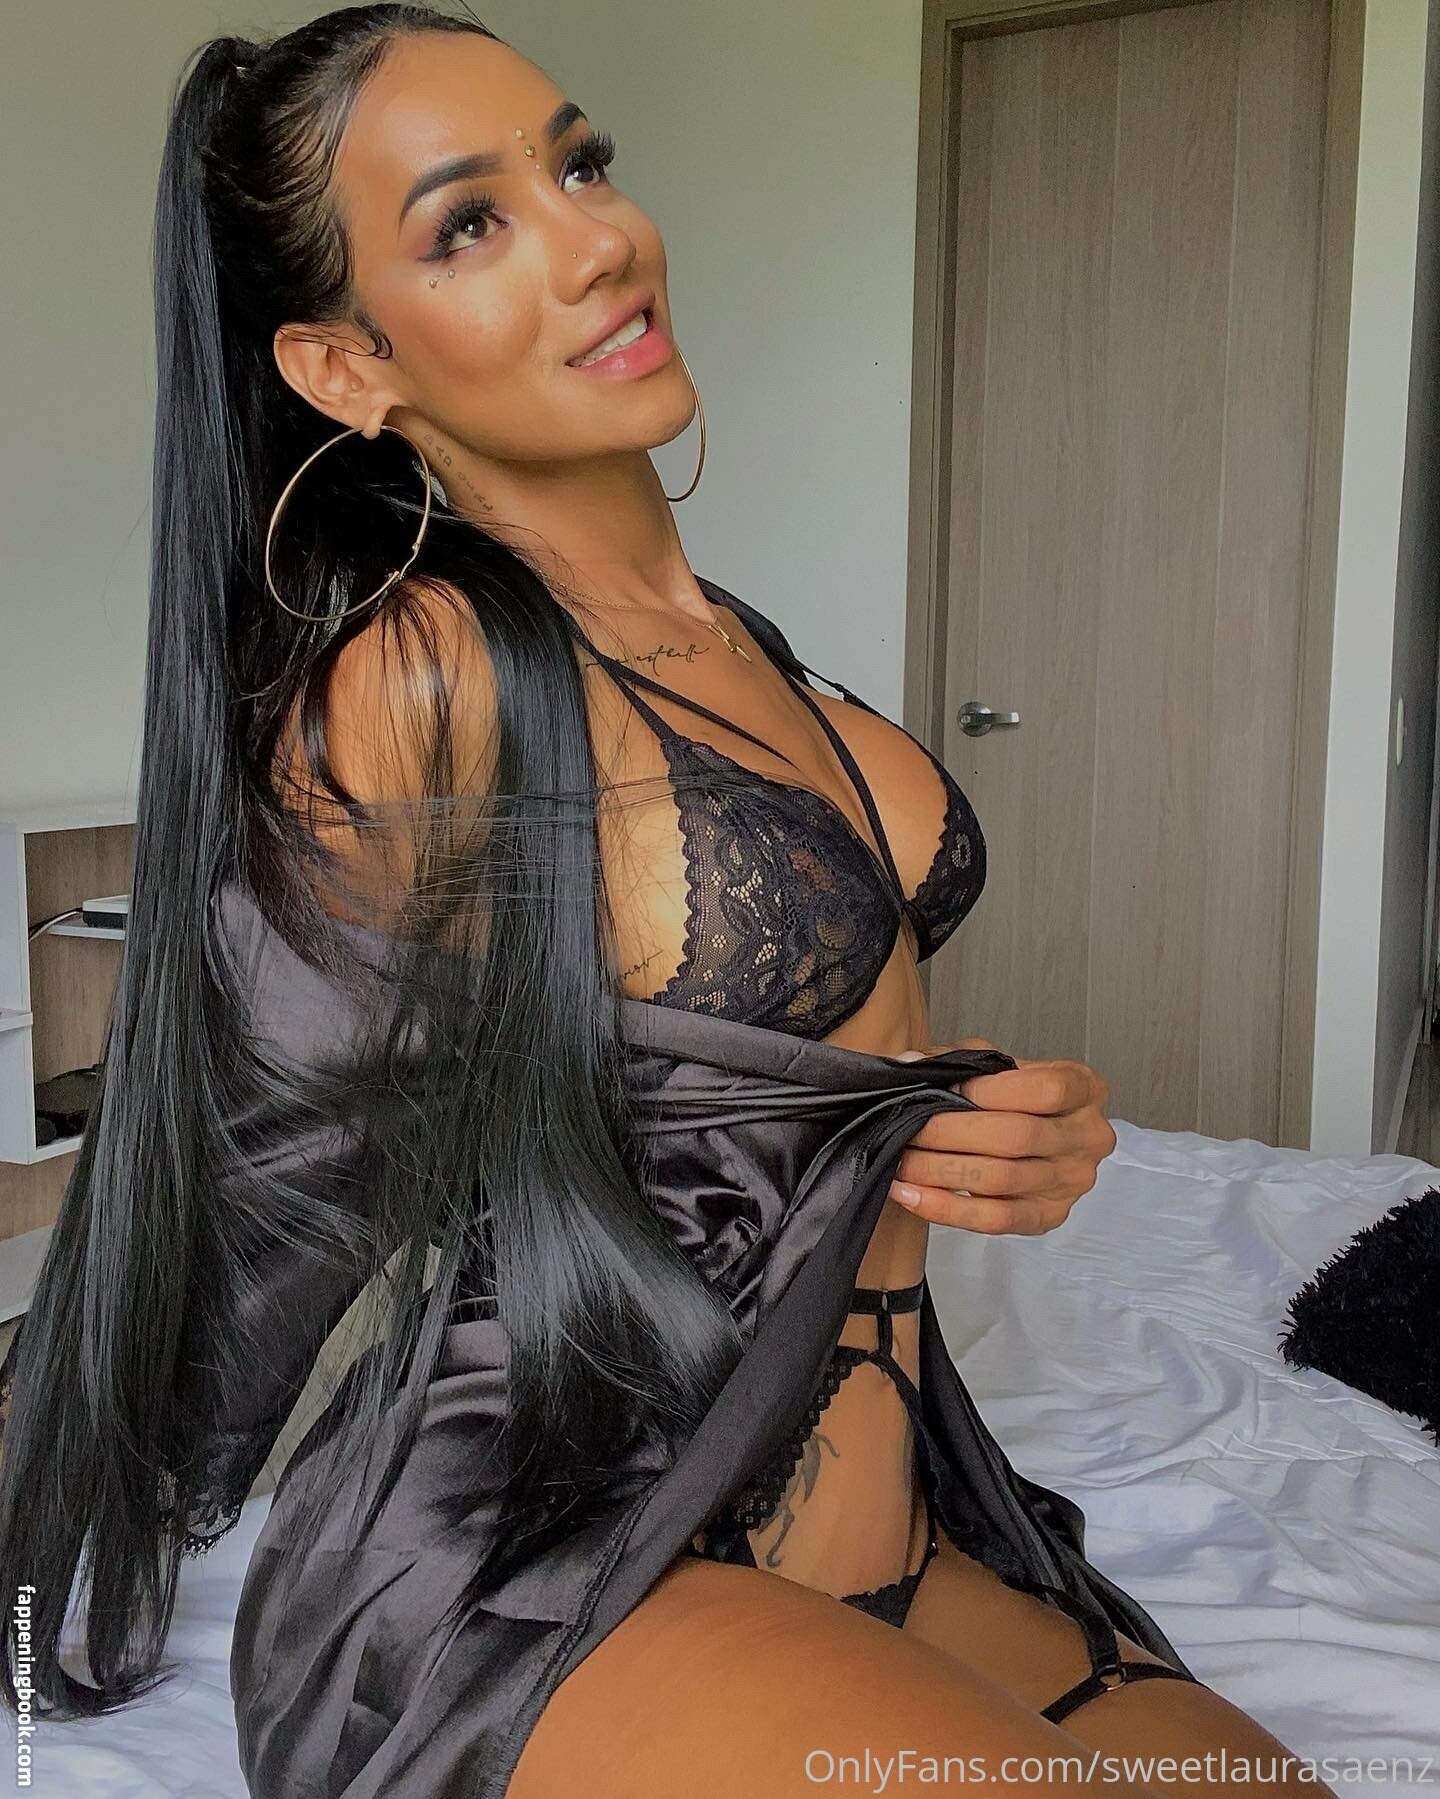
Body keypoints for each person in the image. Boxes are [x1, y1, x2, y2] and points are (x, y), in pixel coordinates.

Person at [0, 9, 1337, 1796]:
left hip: (904, 1506)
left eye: (581, 163)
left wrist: (1020, 1127)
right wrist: (46, 1534)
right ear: (342, 367)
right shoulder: (418, 677)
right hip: (550, 1558)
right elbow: (247, 1202)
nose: (597, 238)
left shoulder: (744, 645)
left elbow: (769, 1057)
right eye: (470, 223)